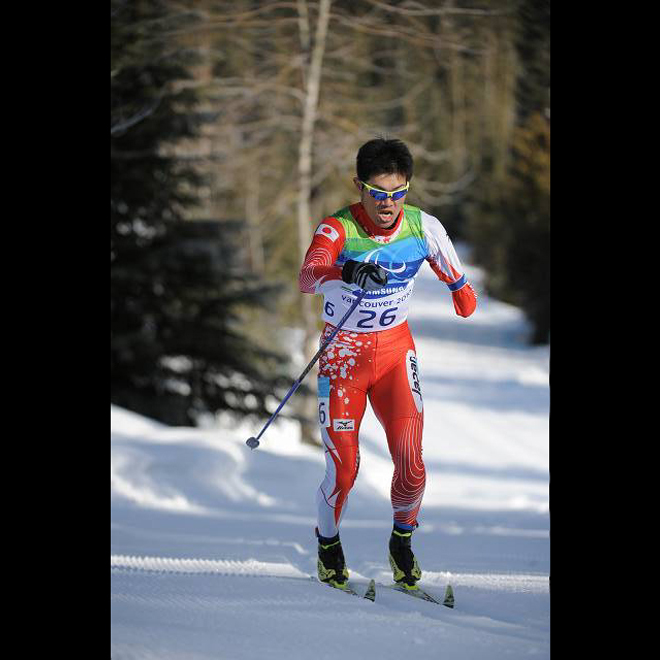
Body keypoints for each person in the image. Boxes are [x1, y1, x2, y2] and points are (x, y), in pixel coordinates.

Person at [298, 137, 477, 592]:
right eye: (379, 194)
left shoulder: (422, 227)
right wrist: (346, 270)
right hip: (344, 358)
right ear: (359, 186)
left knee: (412, 462)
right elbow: (307, 276)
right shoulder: (336, 230)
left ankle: (402, 542)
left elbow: (460, 286)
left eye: (398, 193)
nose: (389, 205)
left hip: (396, 355)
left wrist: (461, 290)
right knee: (343, 468)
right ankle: (328, 544)